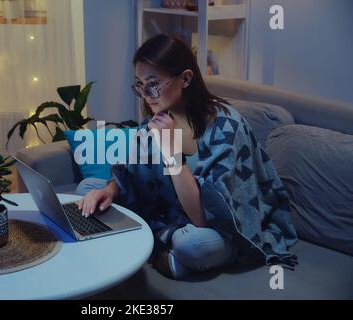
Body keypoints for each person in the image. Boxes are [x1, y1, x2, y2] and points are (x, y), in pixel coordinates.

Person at [78, 34, 298, 280]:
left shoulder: (226, 125)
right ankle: (160, 253)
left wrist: (172, 154)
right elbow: (127, 176)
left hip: (215, 229)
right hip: (167, 216)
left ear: (185, 78)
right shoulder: (157, 119)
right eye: (140, 84)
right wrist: (108, 191)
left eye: (153, 84)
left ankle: (147, 246)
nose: (146, 94)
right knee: (87, 190)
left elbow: (204, 219)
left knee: (192, 245)